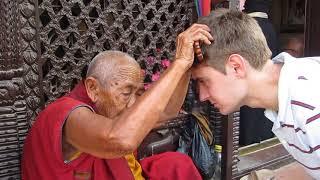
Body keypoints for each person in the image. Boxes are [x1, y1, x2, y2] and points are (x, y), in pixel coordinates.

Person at [21, 23, 214, 179]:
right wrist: (179, 63)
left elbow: (166, 112)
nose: (132, 104)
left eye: (137, 93)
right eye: (125, 93)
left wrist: (186, 68)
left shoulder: (111, 110)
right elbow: (120, 139)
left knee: (175, 165)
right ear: (93, 88)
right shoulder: (69, 114)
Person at [192, 9, 320, 179]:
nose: (202, 96)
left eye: (204, 81)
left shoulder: (308, 106)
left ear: (236, 66)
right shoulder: (292, 93)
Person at [239, 0, 280, 146]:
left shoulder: (247, 28)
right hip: (267, 86)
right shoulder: (270, 28)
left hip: (248, 85)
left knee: (248, 120)